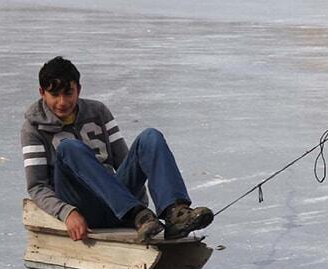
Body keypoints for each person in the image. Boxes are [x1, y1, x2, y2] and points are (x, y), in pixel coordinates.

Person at [20, 56, 213, 243]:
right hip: (81, 206)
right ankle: (137, 214)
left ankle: (175, 213)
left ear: (78, 90)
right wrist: (67, 213)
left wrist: (138, 202)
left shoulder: (98, 112)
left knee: (150, 137)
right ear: (42, 92)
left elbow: (124, 160)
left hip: (118, 204)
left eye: (68, 93)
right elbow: (37, 186)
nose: (62, 102)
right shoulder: (33, 127)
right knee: (69, 148)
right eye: (54, 95)